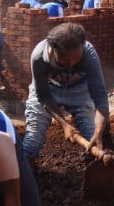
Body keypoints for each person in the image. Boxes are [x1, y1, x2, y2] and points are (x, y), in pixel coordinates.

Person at [22, 22, 109, 165]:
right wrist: (64, 124)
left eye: (76, 58)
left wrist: (98, 132)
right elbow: (43, 95)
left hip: (79, 91)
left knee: (91, 137)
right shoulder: (38, 56)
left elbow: (99, 95)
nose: (71, 64)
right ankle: (25, 173)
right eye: (64, 59)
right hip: (48, 90)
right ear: (52, 48)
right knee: (33, 138)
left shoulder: (89, 54)